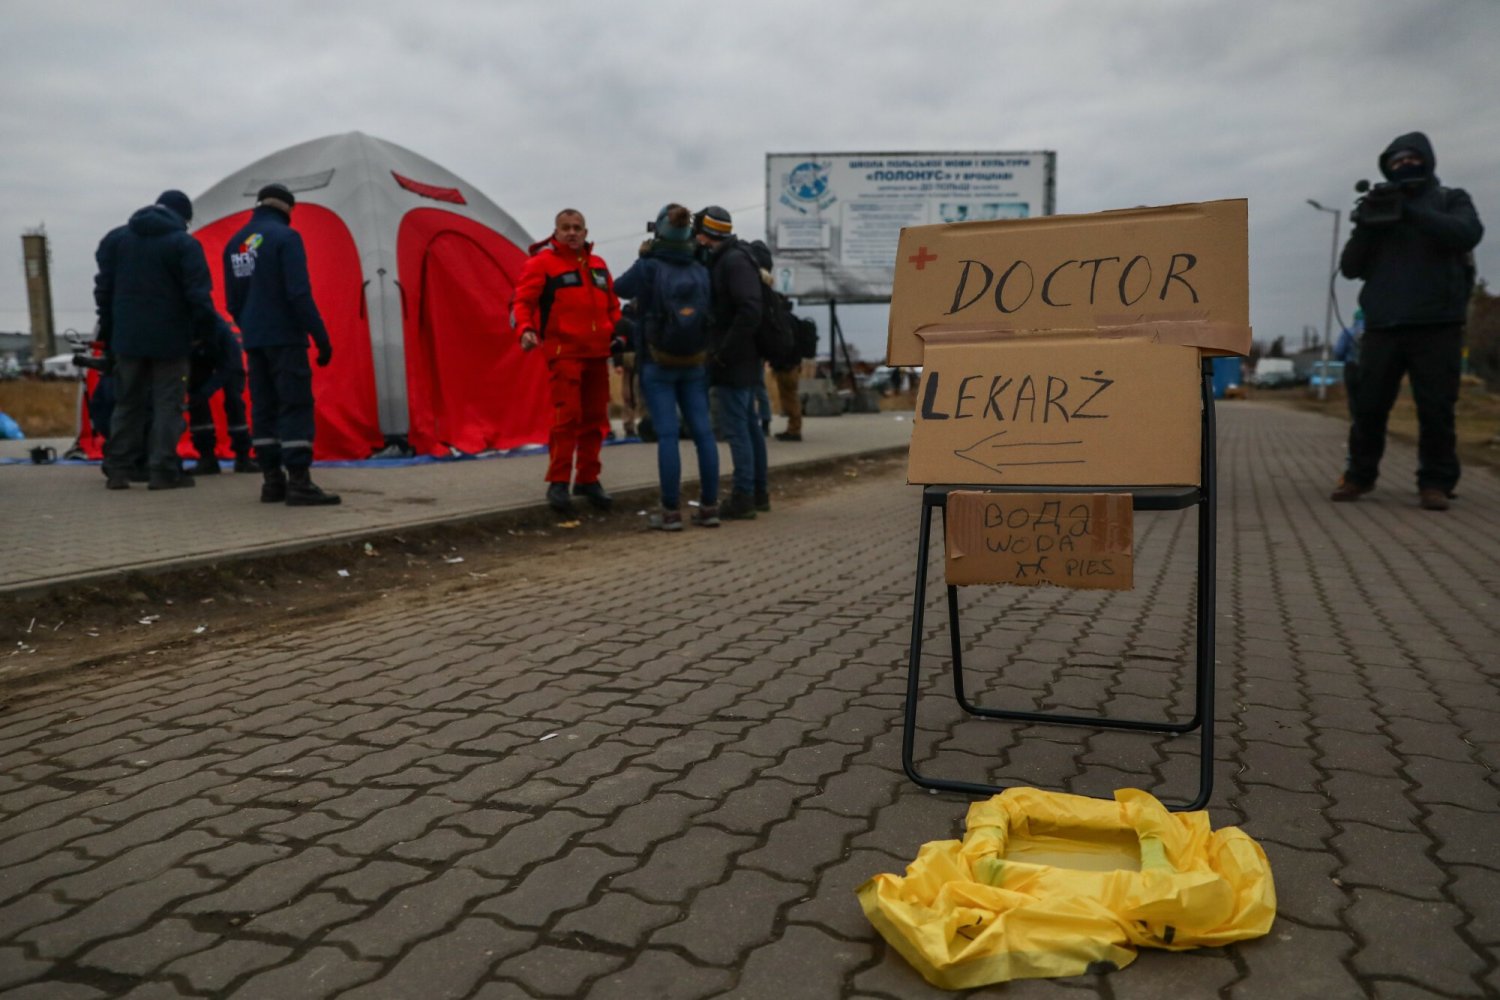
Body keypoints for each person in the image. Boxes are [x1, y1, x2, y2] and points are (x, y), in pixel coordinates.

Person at [1331, 132, 1483, 511]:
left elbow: (1467, 233)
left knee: (1436, 409)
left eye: (1410, 159)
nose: (1403, 166)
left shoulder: (1450, 200)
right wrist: (1368, 224)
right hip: (1383, 326)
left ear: (1426, 160)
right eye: (1395, 162)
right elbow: (1350, 268)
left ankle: (1435, 482)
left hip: (1438, 325)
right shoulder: (1379, 213)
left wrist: (1410, 211)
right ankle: (1358, 476)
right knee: (1368, 407)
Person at [222, 183, 340, 506]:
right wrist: (321, 337)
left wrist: (251, 327)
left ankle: (272, 482)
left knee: (263, 407)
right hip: (286, 339)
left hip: (254, 340)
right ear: (288, 208)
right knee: (294, 404)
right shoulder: (287, 239)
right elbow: (298, 293)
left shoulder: (234, 244)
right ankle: (300, 483)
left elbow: (232, 302)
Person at [93, 189, 217, 490]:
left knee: (127, 403)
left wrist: (109, 334)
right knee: (168, 405)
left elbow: (104, 293)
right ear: (183, 217)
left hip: (127, 339)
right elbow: (199, 297)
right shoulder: (184, 244)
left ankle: (119, 470)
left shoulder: (115, 240)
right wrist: (205, 336)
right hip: (171, 341)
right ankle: (162, 470)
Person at [615, 203, 720, 530]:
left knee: (668, 436)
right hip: (695, 360)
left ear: (659, 230)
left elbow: (619, 288)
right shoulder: (701, 268)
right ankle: (709, 507)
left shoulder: (650, 266)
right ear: (689, 232)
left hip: (658, 361)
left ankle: (671, 511)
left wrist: (643, 256)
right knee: (704, 433)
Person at [513, 208, 621, 516]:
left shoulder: (599, 266)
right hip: (564, 355)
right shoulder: (542, 264)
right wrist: (526, 329)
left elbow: (612, 307)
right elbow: (521, 302)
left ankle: (588, 478)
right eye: (566, 228)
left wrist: (619, 333)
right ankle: (558, 481)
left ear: (585, 233)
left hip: (598, 354)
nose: (572, 232)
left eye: (577, 228)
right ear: (556, 232)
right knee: (566, 419)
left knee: (595, 420)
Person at [694, 205, 768, 520]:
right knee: (749, 427)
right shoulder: (732, 257)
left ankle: (744, 496)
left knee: (738, 430)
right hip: (741, 358)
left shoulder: (733, 261)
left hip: (734, 360)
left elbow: (749, 308)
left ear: (705, 234)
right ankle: (757, 492)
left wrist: (723, 351)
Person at [187, 316, 257, 475]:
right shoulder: (181, 325)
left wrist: (207, 390)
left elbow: (228, 368)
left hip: (225, 355)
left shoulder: (220, 332)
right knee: (196, 400)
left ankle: (243, 456)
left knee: (234, 400)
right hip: (197, 356)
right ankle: (206, 457)